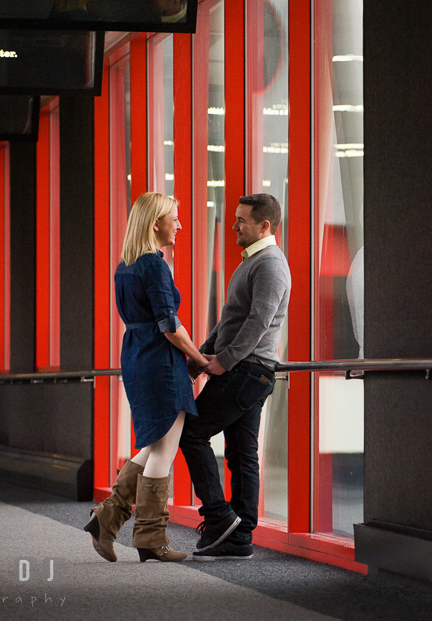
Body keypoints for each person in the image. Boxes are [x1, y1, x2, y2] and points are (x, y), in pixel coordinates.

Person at [84, 192, 209, 563]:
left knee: (154, 444)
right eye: (174, 218)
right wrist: (199, 358)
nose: (180, 225)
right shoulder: (155, 266)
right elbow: (169, 325)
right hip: (160, 360)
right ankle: (151, 539)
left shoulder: (125, 264)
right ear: (156, 223)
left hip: (138, 355)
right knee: (164, 450)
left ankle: (107, 519)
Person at [180, 193, 291, 561]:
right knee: (242, 453)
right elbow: (230, 319)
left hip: (248, 370)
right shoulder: (252, 262)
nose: (234, 226)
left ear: (264, 226)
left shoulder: (271, 264)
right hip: (245, 370)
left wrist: (223, 362)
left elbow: (258, 323)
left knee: (191, 431)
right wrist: (201, 355)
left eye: (241, 220)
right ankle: (239, 536)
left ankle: (219, 519)